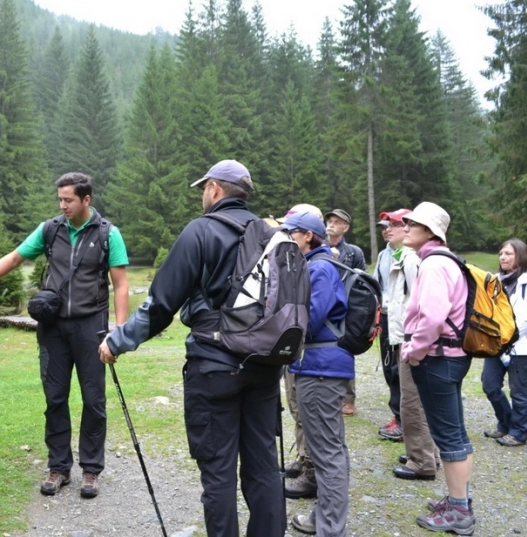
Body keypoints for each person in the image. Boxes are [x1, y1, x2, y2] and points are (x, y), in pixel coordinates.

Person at [98, 160, 287, 537]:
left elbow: (161, 305)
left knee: (218, 470)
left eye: (204, 188)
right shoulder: (272, 234)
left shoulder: (201, 231)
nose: (203, 195)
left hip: (215, 366)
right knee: (264, 466)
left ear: (215, 189)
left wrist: (116, 341)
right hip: (265, 365)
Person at [0, 172, 129, 499]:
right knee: (55, 398)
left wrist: (118, 332)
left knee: (94, 400)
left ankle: (91, 469)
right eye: (60, 199)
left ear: (86, 200)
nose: (62, 205)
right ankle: (59, 468)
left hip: (92, 327)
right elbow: (15, 257)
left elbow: (120, 285)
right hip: (52, 330)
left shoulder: (109, 235)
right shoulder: (50, 229)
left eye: (69, 200)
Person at [400, 202, 475, 535]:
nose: (405, 226)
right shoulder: (447, 261)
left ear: (429, 231)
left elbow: (431, 318)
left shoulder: (433, 265)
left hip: (437, 358)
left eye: (413, 223)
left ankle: (459, 512)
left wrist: (413, 352)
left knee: (449, 435)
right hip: (451, 356)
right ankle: (459, 501)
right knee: (454, 432)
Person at [283, 211, 352, 537]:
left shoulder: (320, 269)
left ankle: (329, 525)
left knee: (327, 450)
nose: (286, 238)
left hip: (321, 368)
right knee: (329, 447)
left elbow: (307, 322)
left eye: (291, 233)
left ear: (307, 236)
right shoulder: (317, 266)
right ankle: (324, 515)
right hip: (317, 366)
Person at [380, 209, 439, 481]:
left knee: (412, 402)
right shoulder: (399, 256)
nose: (396, 229)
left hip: (413, 339)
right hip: (405, 336)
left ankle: (421, 460)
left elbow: (423, 305)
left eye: (404, 224)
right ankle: (426, 452)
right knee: (416, 399)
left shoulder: (414, 259)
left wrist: (412, 343)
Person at [482, 238, 527, 447]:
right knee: (490, 385)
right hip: (496, 346)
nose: (503, 257)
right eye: (501, 253)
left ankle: (519, 433)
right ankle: (506, 423)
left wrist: (507, 340)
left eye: (508, 253)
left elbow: (526, 317)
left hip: (522, 347)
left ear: (521, 256)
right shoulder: (495, 281)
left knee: (519, 391)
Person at [324, 209, 366, 417]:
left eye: (336, 222)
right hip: (322, 307)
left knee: (345, 352)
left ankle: (348, 398)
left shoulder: (353, 252)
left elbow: (362, 282)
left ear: (345, 227)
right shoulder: (317, 247)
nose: (331, 224)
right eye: (329, 220)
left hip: (346, 310)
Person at [373, 213, 402, 441]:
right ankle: (398, 416)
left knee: (405, 373)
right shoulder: (383, 255)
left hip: (404, 321)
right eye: (385, 226)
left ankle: (407, 421)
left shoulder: (415, 256)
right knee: (389, 369)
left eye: (394, 225)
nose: (387, 230)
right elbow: (376, 287)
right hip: (385, 317)